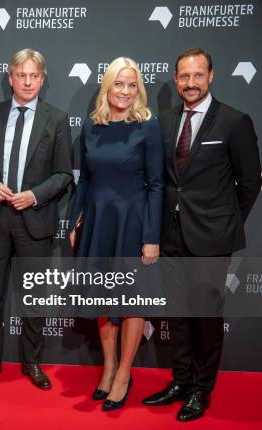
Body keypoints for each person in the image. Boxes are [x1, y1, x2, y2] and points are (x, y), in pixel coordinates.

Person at [142, 48, 261, 421]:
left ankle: (201, 389)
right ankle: (179, 380)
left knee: (206, 318)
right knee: (177, 315)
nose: (190, 83)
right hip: (171, 235)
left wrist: (225, 223)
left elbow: (250, 183)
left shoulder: (234, 121)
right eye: (183, 77)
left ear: (211, 76)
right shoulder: (163, 122)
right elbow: (161, 182)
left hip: (212, 239)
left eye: (197, 76)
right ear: (175, 80)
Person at [0, 48, 73, 390]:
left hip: (35, 218)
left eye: (34, 76)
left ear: (42, 79)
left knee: (34, 296)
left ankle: (32, 362)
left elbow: (62, 175)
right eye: (21, 75)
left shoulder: (56, 119)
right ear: (10, 78)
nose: (27, 82)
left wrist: (35, 195)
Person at [68, 57, 163, 411]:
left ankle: (124, 374)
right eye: (118, 84)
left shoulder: (147, 127)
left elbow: (156, 184)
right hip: (97, 220)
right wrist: (76, 219)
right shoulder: (92, 126)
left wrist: (151, 236)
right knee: (102, 298)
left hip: (133, 222)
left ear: (139, 89)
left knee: (131, 299)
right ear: (106, 86)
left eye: (131, 84)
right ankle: (107, 369)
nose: (124, 91)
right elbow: (86, 178)